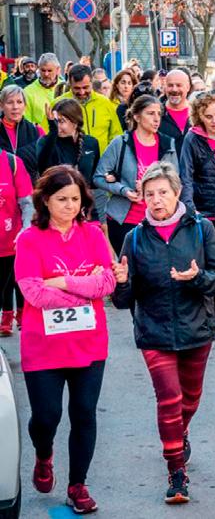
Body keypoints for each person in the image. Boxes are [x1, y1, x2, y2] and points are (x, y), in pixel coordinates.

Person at [112, 161, 215, 504]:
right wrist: (121, 283)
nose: (156, 200)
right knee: (169, 400)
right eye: (149, 194)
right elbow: (122, 301)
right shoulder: (134, 239)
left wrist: (197, 278)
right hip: (154, 331)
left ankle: (182, 431)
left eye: (163, 192)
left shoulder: (201, 229)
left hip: (196, 329)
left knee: (189, 399)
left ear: (177, 193)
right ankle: (176, 472)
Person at [15, 166, 115, 514]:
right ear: (45, 200)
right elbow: (33, 292)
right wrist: (85, 291)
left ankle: (77, 485)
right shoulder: (29, 239)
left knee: (84, 413)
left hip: (90, 343)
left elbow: (107, 284)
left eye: (75, 199)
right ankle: (44, 455)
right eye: (62, 199)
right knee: (47, 417)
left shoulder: (93, 235)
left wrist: (62, 282)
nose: (70, 206)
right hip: (43, 345)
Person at [179, 90, 215, 342]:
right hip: (202, 212)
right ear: (199, 116)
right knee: (202, 268)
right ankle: (203, 318)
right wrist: (191, 209)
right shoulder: (192, 139)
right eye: (209, 116)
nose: (214, 121)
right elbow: (186, 176)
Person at [94, 94, 179, 255]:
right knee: (127, 266)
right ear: (137, 116)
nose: (156, 119)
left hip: (157, 219)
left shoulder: (168, 144)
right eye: (150, 113)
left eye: (159, 114)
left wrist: (150, 187)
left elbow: (175, 181)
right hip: (123, 220)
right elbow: (98, 177)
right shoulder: (121, 143)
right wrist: (124, 190)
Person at [0, 149, 33, 336]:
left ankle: (18, 315)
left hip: (10, 239)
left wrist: (25, 231)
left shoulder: (11, 163)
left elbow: (27, 202)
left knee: (14, 279)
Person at [54, 65, 123, 154]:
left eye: (85, 87)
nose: (82, 92)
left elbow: (116, 135)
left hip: (102, 161)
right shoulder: (57, 105)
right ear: (70, 84)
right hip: (69, 161)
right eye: (77, 88)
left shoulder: (105, 103)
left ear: (92, 83)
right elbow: (45, 136)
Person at [36, 99, 101, 190]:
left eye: (61, 121)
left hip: (83, 196)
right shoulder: (46, 141)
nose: (57, 126)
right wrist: (53, 131)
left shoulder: (91, 142)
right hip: (56, 195)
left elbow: (95, 178)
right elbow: (43, 170)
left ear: (75, 122)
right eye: (55, 121)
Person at [0, 85, 43, 179]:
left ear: (25, 105)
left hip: (30, 185)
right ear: (1, 105)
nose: (15, 107)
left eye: (19, 102)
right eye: (10, 102)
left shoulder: (36, 130)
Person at [23, 53, 62, 131]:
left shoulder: (66, 88)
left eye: (50, 71)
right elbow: (26, 123)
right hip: (40, 136)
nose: (46, 74)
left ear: (58, 70)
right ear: (38, 69)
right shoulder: (27, 92)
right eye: (43, 70)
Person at [159, 69, 193, 156]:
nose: (174, 89)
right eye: (170, 85)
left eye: (179, 85)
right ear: (165, 87)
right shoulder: (157, 114)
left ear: (188, 87)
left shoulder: (199, 113)